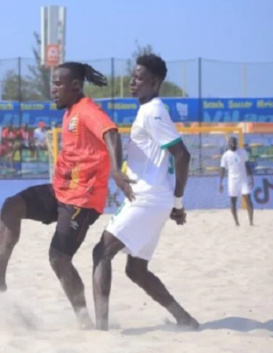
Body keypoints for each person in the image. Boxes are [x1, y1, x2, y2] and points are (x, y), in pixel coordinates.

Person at [0, 62, 134, 329]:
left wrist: (116, 170)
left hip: (82, 199)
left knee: (59, 258)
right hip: (59, 191)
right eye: (53, 83)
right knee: (11, 206)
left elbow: (112, 134)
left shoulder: (87, 110)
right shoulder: (70, 111)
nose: (53, 89)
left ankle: (84, 319)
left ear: (75, 86)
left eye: (59, 84)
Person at [91, 54, 199, 331]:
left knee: (101, 252)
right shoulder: (149, 110)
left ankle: (100, 329)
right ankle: (184, 319)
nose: (132, 81)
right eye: (132, 76)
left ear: (154, 81)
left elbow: (182, 155)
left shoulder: (153, 111)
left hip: (147, 197)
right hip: (155, 199)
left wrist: (178, 201)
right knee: (136, 270)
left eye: (139, 78)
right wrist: (173, 203)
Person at [219, 136, 254, 226]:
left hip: (243, 179)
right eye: (231, 142)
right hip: (232, 181)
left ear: (237, 142)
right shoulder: (225, 155)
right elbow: (222, 169)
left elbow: (247, 165)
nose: (233, 143)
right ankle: (236, 222)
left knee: (248, 200)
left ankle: (251, 222)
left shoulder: (242, 152)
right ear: (228, 143)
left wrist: (251, 178)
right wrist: (220, 183)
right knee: (233, 201)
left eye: (234, 141)